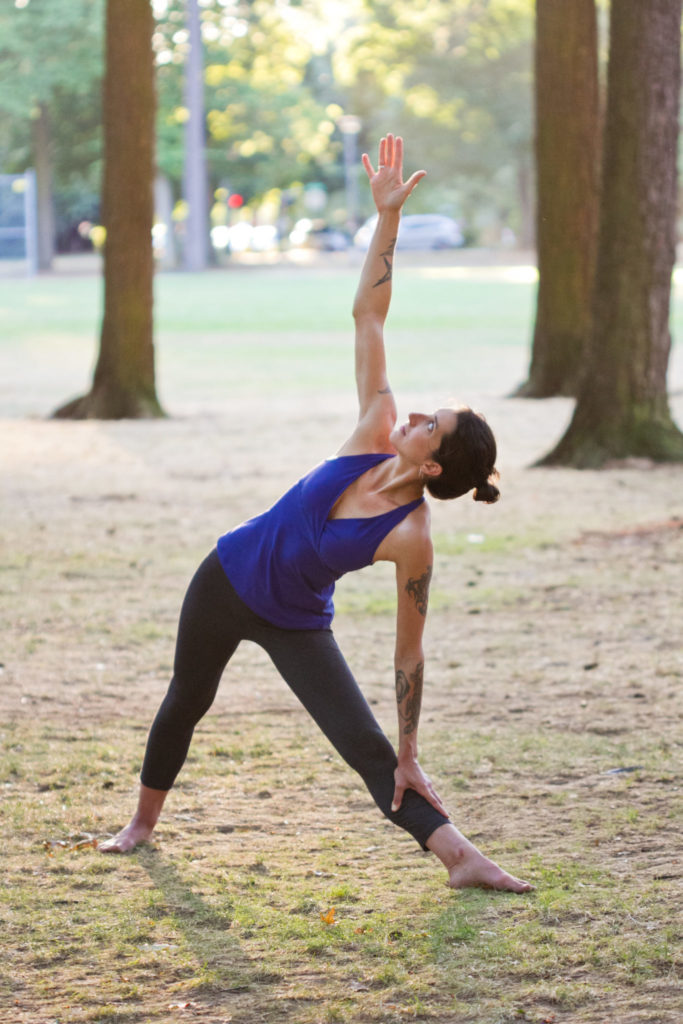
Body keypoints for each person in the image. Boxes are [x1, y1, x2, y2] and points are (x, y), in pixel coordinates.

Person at [101, 134, 532, 894]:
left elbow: (408, 656)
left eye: (431, 423)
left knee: (365, 748)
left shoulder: (410, 538)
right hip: (224, 577)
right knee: (186, 702)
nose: (418, 413)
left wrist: (409, 746)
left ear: (431, 465)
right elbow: (368, 316)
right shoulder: (374, 426)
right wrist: (386, 219)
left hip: (297, 620)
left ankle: (458, 856)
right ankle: (140, 824)